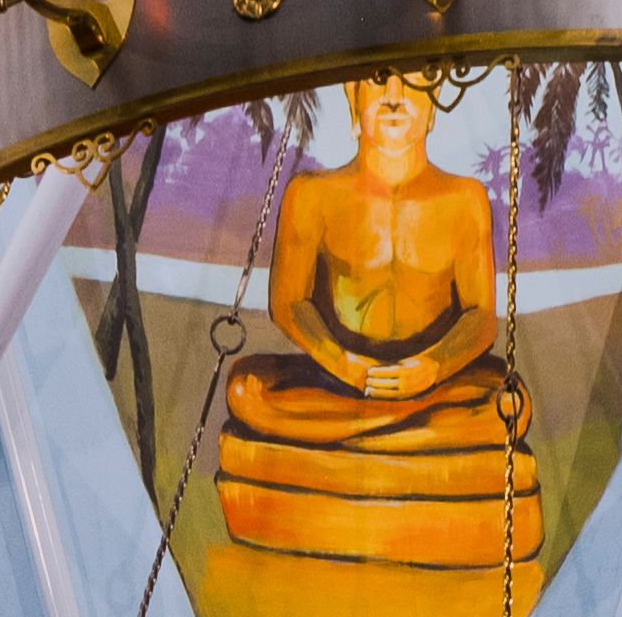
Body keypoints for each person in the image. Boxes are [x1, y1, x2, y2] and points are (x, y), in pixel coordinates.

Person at [215, 80, 536, 570]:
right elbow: (289, 304)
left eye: (414, 83)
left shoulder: (464, 199)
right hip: (338, 384)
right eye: (379, 80)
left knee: (508, 402)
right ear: (353, 101)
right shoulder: (311, 194)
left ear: (433, 106)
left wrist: (430, 369)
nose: (394, 95)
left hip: (433, 387)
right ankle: (403, 446)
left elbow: (480, 320)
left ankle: (356, 451)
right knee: (247, 390)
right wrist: (346, 365)